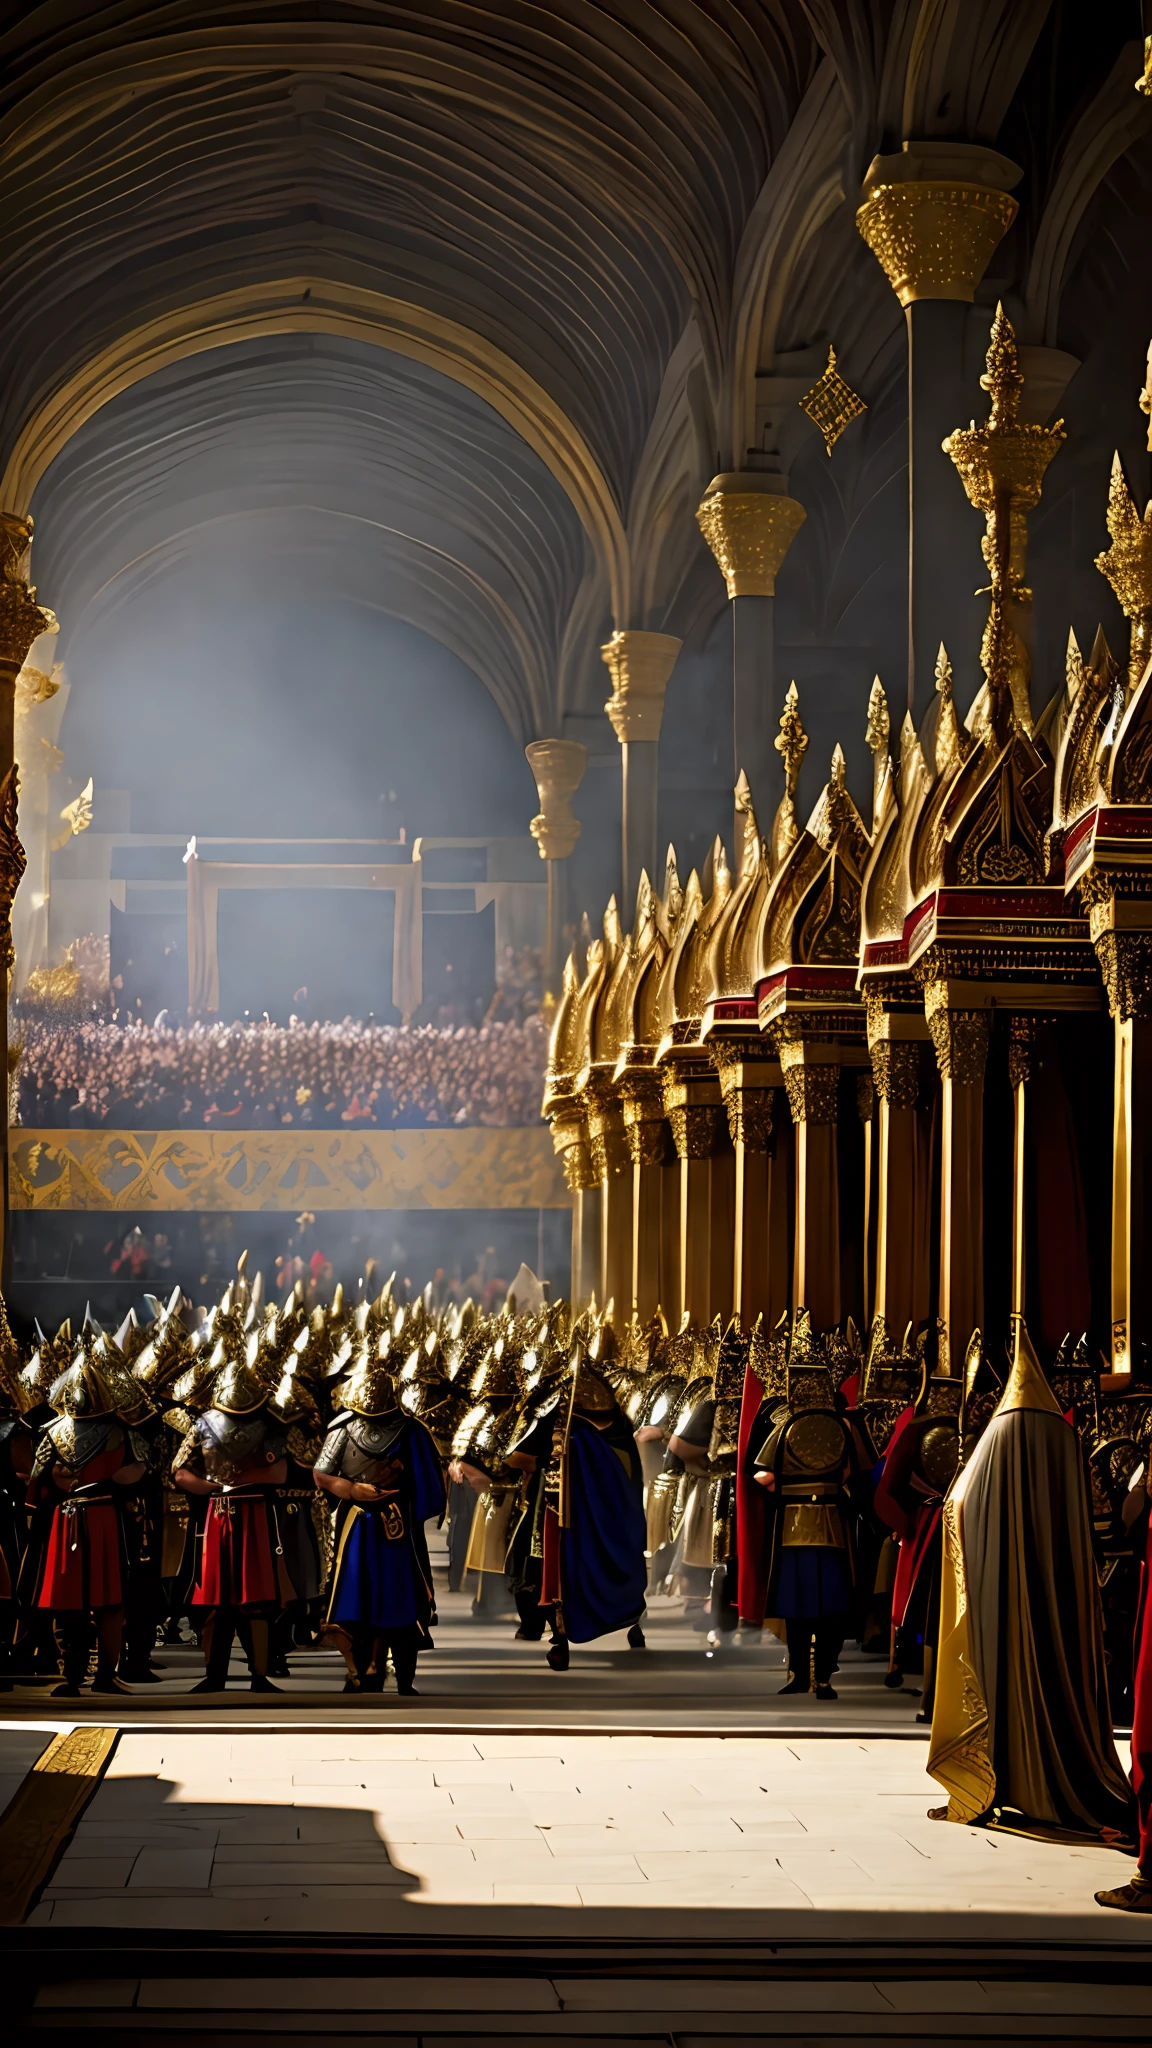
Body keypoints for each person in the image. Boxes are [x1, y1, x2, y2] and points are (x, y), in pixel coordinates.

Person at [929, 1317, 1132, 1843]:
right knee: (1058, 1677)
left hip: (997, 1592)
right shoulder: (1063, 1439)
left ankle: (996, 1781)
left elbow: (959, 1504)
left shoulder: (997, 1437)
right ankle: (1060, 1776)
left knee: (999, 1679)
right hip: (1057, 1597)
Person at [313, 1340, 445, 1694]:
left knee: (401, 1596)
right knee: (358, 1595)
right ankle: (359, 1672)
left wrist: (405, 1480)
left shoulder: (411, 1429)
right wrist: (353, 1490)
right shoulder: (342, 1426)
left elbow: (430, 1484)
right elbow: (322, 1474)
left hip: (398, 1524)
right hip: (356, 1524)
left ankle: (404, 1676)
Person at [25, 1345, 148, 1696]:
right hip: (93, 1519)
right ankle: (84, 1676)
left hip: (82, 1520)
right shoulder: (118, 1430)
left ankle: (88, 1676)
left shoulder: (56, 1432)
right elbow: (139, 1469)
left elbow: (38, 1484)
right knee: (82, 1602)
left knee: (95, 1602)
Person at [172, 1340, 291, 1693]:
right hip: (217, 1519)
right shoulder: (204, 1424)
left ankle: (259, 1675)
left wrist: (240, 1480)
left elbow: (280, 1472)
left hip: (255, 1516)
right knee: (215, 1601)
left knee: (255, 1601)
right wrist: (211, 1486)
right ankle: (214, 1676)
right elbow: (179, 1471)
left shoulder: (269, 1423)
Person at [751, 1332, 857, 1701]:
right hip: (832, 1526)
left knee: (796, 1605)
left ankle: (798, 1673)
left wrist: (785, 1489)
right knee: (833, 1603)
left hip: (793, 1527)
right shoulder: (843, 1427)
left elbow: (761, 1474)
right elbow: (857, 1472)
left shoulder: (785, 1427)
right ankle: (824, 1677)